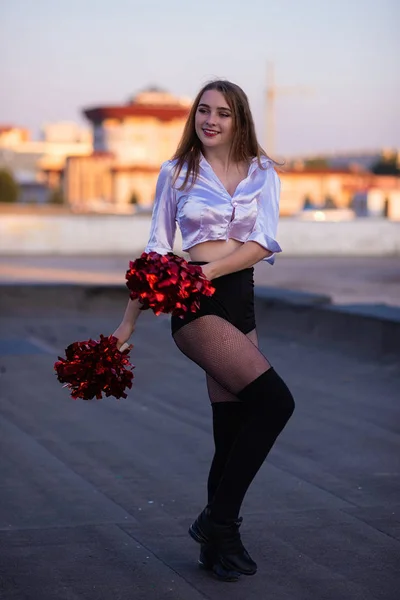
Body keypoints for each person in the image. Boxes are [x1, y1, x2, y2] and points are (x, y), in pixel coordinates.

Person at [113, 80, 295, 581]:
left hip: (239, 300)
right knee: (277, 403)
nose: (210, 120)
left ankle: (212, 551)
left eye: (223, 113)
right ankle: (219, 525)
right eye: (203, 110)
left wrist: (207, 271)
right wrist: (127, 322)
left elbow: (264, 242)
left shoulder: (263, 171)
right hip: (196, 308)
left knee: (232, 432)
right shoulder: (176, 172)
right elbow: (155, 250)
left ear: (240, 120)